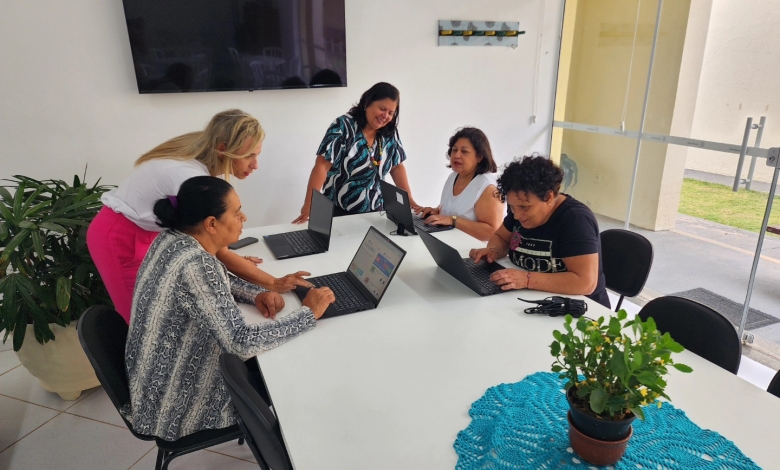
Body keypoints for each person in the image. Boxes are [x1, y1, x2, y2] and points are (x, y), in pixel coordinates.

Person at [122, 176, 335, 441]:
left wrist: (257, 293)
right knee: (289, 371)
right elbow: (239, 343)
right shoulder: (197, 265)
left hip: (150, 387)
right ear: (211, 224)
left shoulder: (172, 239)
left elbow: (214, 281)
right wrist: (308, 313)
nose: (243, 217)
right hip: (172, 406)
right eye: (236, 213)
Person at [87, 109, 312, 323]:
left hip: (146, 233)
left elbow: (211, 248)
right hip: (119, 237)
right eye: (248, 156)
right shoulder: (188, 178)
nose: (255, 165)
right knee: (141, 317)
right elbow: (219, 251)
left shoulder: (203, 146)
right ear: (223, 149)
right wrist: (273, 282)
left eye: (258, 154)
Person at [469, 156, 610, 308]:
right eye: (512, 207)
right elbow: (501, 237)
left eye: (524, 207)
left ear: (549, 197)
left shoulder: (576, 220)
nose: (516, 215)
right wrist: (493, 251)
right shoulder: (519, 209)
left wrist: (526, 279)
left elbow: (585, 283)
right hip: (532, 298)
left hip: (578, 310)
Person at [293, 82, 418, 222]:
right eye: (382, 109)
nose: (386, 116)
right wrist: (310, 204)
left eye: (391, 113)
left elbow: (396, 166)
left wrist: (409, 201)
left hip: (375, 211)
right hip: (338, 211)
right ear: (367, 102)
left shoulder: (389, 132)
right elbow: (322, 166)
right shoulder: (343, 126)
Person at [416, 127, 504, 241]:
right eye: (454, 150)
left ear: (479, 157)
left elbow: (492, 231)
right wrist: (436, 211)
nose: (457, 155)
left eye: (464, 151)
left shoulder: (488, 188)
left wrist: (452, 220)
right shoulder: (454, 176)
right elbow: (458, 208)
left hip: (472, 253)